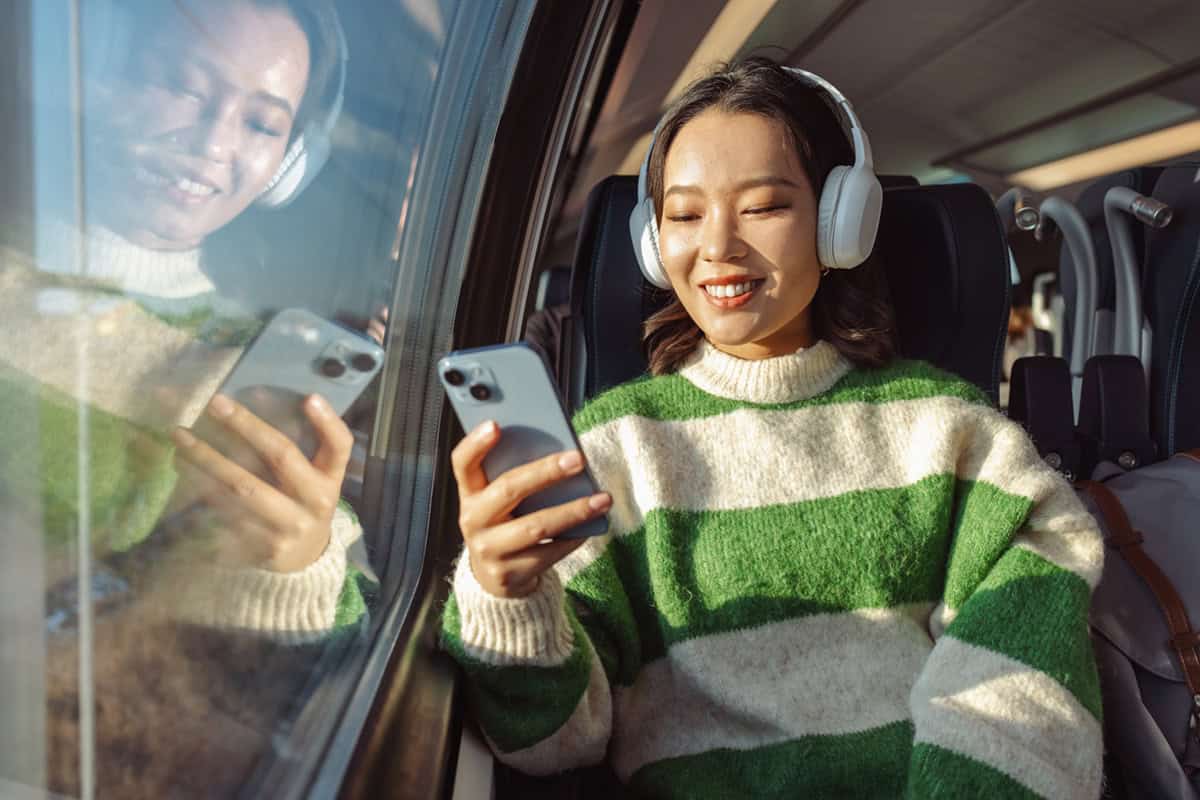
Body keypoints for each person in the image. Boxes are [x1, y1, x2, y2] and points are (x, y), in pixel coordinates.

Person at [442, 58, 1103, 798]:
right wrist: (509, 598)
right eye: (685, 215)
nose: (718, 246)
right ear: (653, 245)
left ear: (839, 222)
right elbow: (556, 742)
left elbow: (1021, 689)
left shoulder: (953, 435)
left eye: (762, 206)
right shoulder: (616, 453)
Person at [0, 0, 369, 793]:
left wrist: (299, 566)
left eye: (263, 124)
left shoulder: (250, 367)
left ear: (287, 166)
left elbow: (332, 644)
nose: (213, 142)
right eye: (180, 85)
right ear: (95, 77)